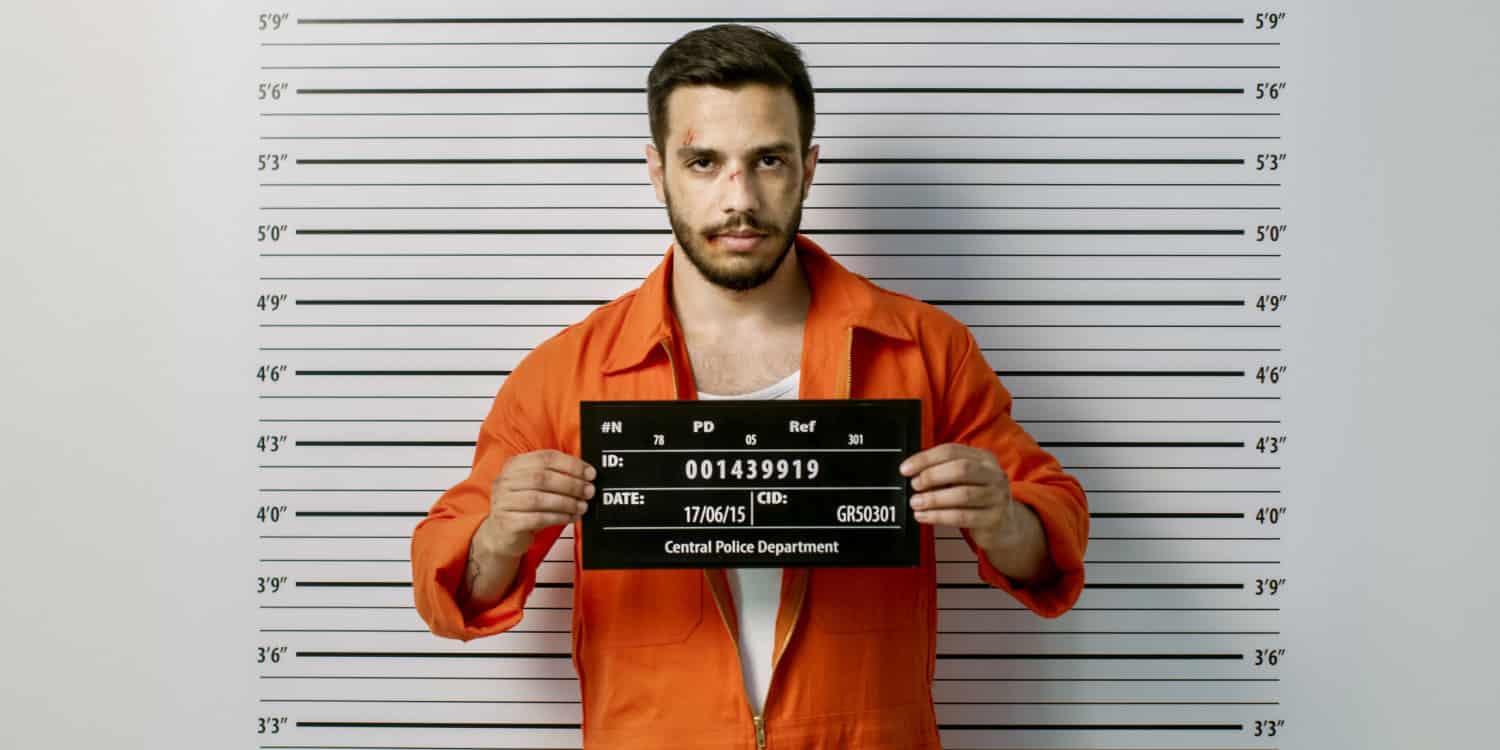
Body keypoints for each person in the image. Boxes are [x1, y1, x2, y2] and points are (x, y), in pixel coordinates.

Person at [411, 23, 1088, 749]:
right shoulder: (564, 373)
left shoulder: (926, 349)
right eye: (704, 161)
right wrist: (503, 534)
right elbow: (453, 592)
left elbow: (1051, 544)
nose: (740, 198)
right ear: (656, 169)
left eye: (768, 159)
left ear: (809, 167)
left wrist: (1002, 518)